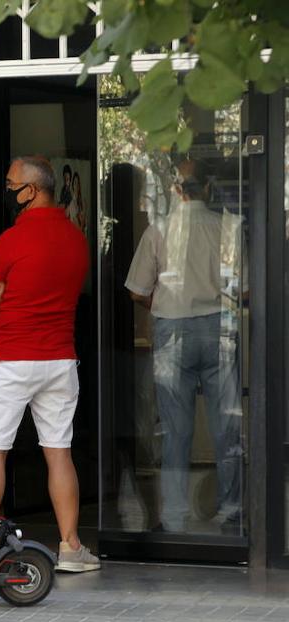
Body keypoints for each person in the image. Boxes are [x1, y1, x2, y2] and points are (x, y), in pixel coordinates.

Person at [0, 156, 97, 573]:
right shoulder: (77, 238)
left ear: (32, 190)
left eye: (12, 184)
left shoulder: (11, 239)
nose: (7, 190)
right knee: (59, 453)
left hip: (11, 357)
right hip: (60, 359)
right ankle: (71, 546)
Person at [125, 170, 242, 534]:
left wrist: (166, 305)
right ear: (208, 187)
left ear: (176, 190)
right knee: (226, 426)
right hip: (218, 328)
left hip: (172, 327)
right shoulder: (229, 227)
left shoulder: (158, 229)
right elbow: (244, 290)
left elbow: (136, 290)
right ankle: (231, 510)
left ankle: (174, 516)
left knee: (176, 430)